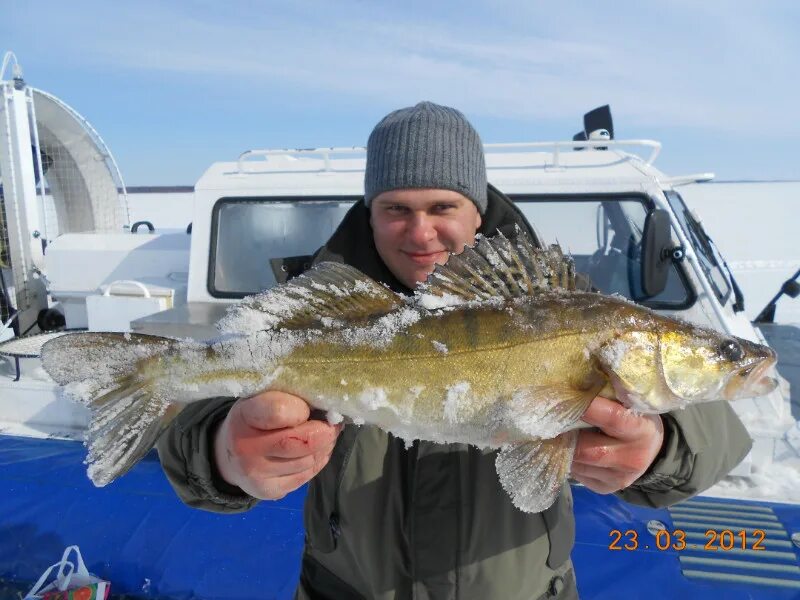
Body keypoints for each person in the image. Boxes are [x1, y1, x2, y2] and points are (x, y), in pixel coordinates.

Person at [157, 102, 752, 599]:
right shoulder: (324, 307)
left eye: (443, 207)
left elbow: (716, 435)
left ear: (477, 207)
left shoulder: (563, 307)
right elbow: (200, 421)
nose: (421, 234)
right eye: (396, 209)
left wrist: (660, 444)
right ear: (370, 211)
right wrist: (221, 454)